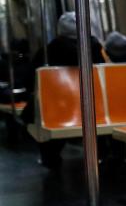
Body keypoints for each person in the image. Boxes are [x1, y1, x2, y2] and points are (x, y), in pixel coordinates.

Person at [23, 12, 107, 169]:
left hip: (59, 106)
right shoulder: (95, 47)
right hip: (94, 104)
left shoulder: (48, 51)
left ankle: (50, 158)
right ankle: (103, 155)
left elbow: (29, 80)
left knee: (37, 113)